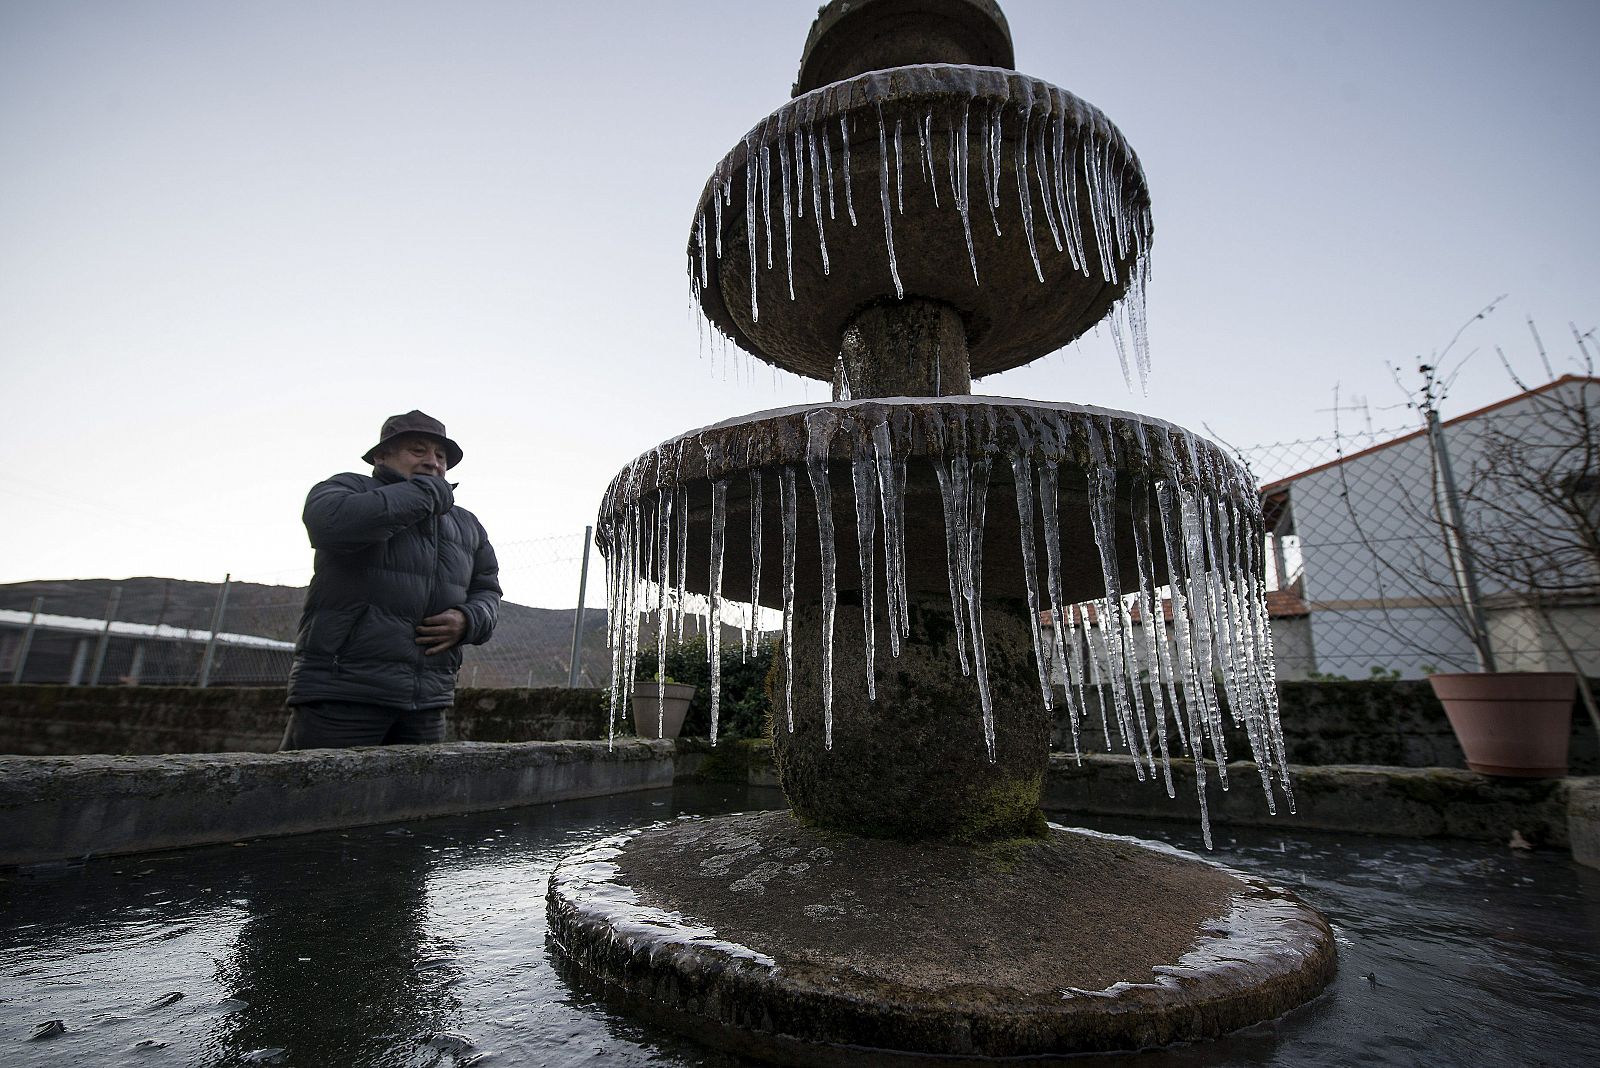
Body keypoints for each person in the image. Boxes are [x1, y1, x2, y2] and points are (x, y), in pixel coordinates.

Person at [280, 410, 501, 749]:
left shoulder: (467, 525)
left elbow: (487, 591)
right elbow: (329, 524)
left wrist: (468, 620)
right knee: (317, 799)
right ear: (382, 455)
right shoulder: (346, 489)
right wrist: (427, 494)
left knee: (417, 801)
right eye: (418, 451)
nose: (433, 463)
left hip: (427, 702)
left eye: (440, 456)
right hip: (343, 694)